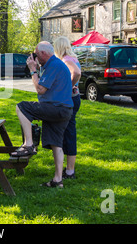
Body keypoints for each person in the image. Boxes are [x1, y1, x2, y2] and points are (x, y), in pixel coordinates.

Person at [11, 41, 73, 188]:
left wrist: (32, 70)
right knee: (56, 144)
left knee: (22, 107)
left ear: (44, 54)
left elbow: (40, 89)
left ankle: (29, 144)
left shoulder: (54, 65)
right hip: (64, 109)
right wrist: (38, 67)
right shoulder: (54, 64)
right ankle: (58, 180)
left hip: (56, 108)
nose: (35, 57)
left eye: (37, 55)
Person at [53, 36, 81, 180]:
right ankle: (68, 169)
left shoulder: (66, 60)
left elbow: (76, 73)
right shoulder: (72, 58)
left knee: (69, 133)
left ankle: (70, 171)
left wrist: (67, 87)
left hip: (70, 99)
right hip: (74, 99)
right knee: (68, 132)